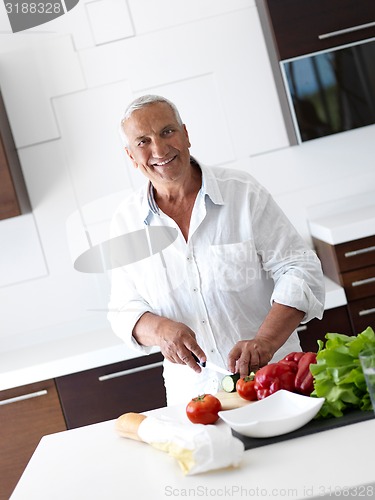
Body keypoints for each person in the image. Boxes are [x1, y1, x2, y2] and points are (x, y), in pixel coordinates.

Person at [107, 95, 325, 405]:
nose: (159, 149)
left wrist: (265, 341)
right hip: (195, 399)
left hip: (277, 380)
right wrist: (161, 330)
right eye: (143, 141)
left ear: (186, 134)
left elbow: (300, 270)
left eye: (167, 132)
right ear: (131, 156)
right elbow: (121, 310)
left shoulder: (243, 192)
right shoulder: (125, 222)